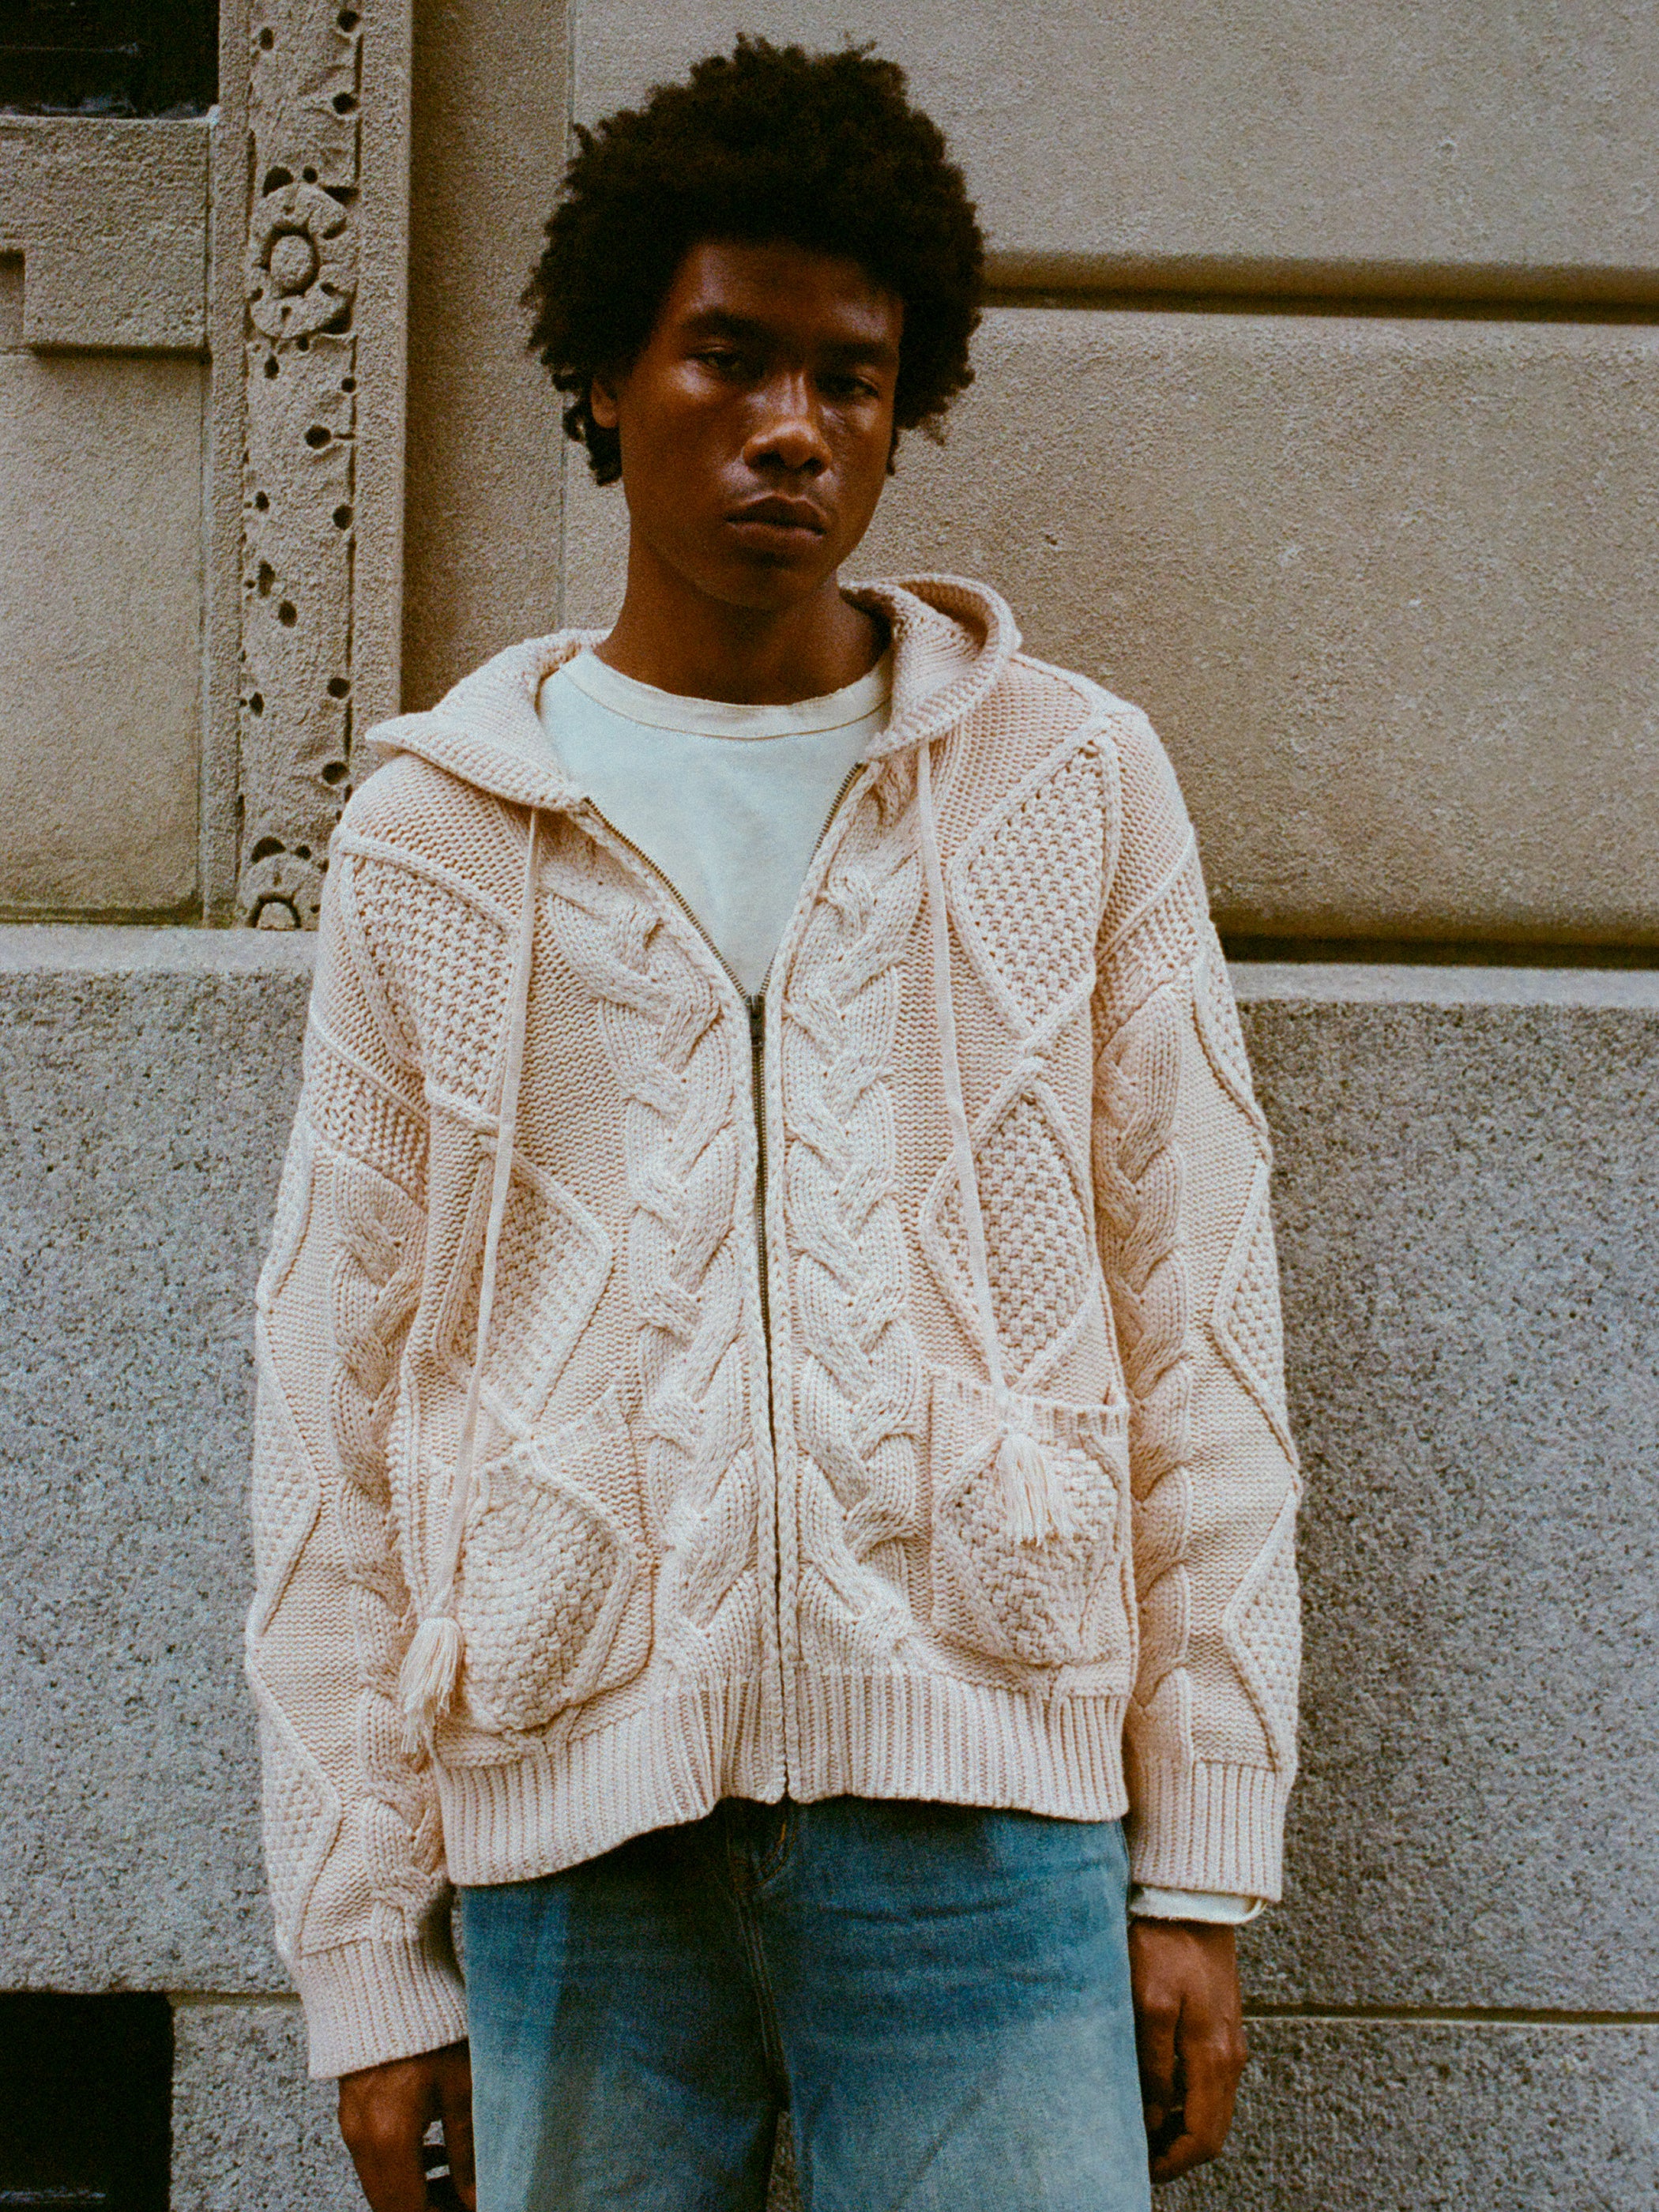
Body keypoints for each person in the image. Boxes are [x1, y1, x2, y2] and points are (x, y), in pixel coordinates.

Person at [246, 38, 1300, 2212]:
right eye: (728, 357)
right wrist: (366, 1959)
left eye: (851, 376)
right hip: (573, 1846)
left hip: (991, 1822)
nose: (793, 427)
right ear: (605, 376)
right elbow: (331, 1409)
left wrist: (1199, 1860)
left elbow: (1198, 1327)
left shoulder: (1067, 786)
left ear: (902, 410)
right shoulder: (433, 839)